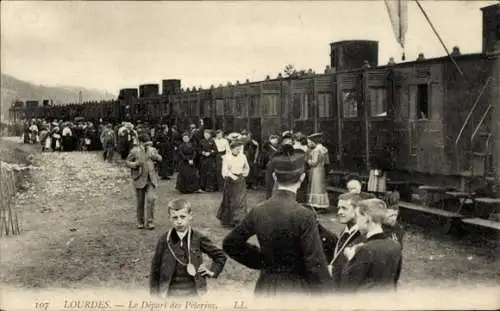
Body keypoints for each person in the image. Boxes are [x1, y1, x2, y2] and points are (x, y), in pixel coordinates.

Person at [222, 149, 331, 296]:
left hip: (265, 285)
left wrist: (262, 261)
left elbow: (230, 243)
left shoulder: (258, 210)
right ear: (303, 177)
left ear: (274, 177)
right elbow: (315, 263)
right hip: (296, 289)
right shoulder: (305, 215)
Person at [150, 198, 227, 297]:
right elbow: (155, 269)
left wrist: (212, 271)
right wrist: (154, 296)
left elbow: (220, 255)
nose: (179, 221)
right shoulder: (164, 240)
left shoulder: (198, 237)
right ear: (169, 218)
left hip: (194, 293)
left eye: (182, 217)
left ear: (190, 216)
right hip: (170, 293)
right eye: (175, 218)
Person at [338, 198, 403, 292]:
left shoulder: (364, 250)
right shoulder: (396, 245)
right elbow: (394, 280)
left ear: (366, 218)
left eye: (358, 217)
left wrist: (350, 259)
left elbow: (347, 285)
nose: (357, 222)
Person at [125, 133, 162, 230]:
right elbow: (127, 162)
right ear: (140, 142)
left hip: (151, 179)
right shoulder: (134, 151)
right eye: (145, 143)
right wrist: (135, 164)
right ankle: (140, 222)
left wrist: (156, 157)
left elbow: (160, 158)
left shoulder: (152, 150)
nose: (147, 145)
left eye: (148, 143)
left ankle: (150, 222)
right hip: (139, 179)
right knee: (140, 203)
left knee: (151, 199)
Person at [329, 192, 365, 288]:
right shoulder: (343, 232)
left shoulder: (363, 236)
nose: (339, 212)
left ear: (357, 210)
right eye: (339, 208)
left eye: (344, 208)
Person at [216, 139, 249, 227]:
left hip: (240, 180)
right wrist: (232, 176)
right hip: (230, 180)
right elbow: (225, 170)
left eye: (240, 148)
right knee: (230, 200)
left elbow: (246, 167)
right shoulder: (226, 157)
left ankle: (239, 220)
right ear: (232, 149)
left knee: (240, 200)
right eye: (237, 148)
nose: (238, 150)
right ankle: (229, 221)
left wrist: (244, 174)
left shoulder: (243, 156)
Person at [305, 133, 330, 211]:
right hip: (321, 170)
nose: (309, 144)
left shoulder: (316, 150)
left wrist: (308, 160)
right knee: (321, 188)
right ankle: (322, 205)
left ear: (314, 141)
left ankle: (318, 205)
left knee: (316, 187)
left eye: (310, 142)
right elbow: (327, 162)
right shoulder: (324, 149)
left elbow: (314, 163)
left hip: (316, 170)